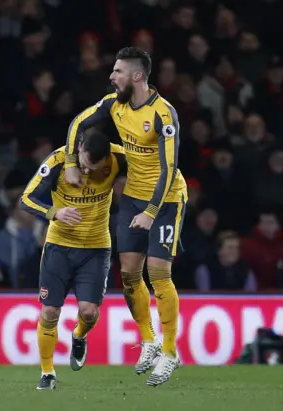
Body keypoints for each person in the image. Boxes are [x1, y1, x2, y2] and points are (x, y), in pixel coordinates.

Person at [63, 46, 187, 386]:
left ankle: (171, 352)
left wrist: (150, 212)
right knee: (130, 274)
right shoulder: (113, 104)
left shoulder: (164, 114)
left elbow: (169, 168)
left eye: (117, 71)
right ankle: (149, 340)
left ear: (136, 76)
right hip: (132, 197)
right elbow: (77, 123)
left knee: (158, 271)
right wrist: (72, 163)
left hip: (166, 199)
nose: (111, 76)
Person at [20, 130, 126, 390]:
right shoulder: (57, 162)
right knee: (50, 312)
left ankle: (79, 336)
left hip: (96, 248)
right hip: (59, 247)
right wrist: (54, 212)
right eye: (85, 165)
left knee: (89, 312)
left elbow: (153, 162)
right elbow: (25, 199)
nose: (87, 173)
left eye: (95, 168)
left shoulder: (119, 158)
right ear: (79, 148)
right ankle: (47, 372)